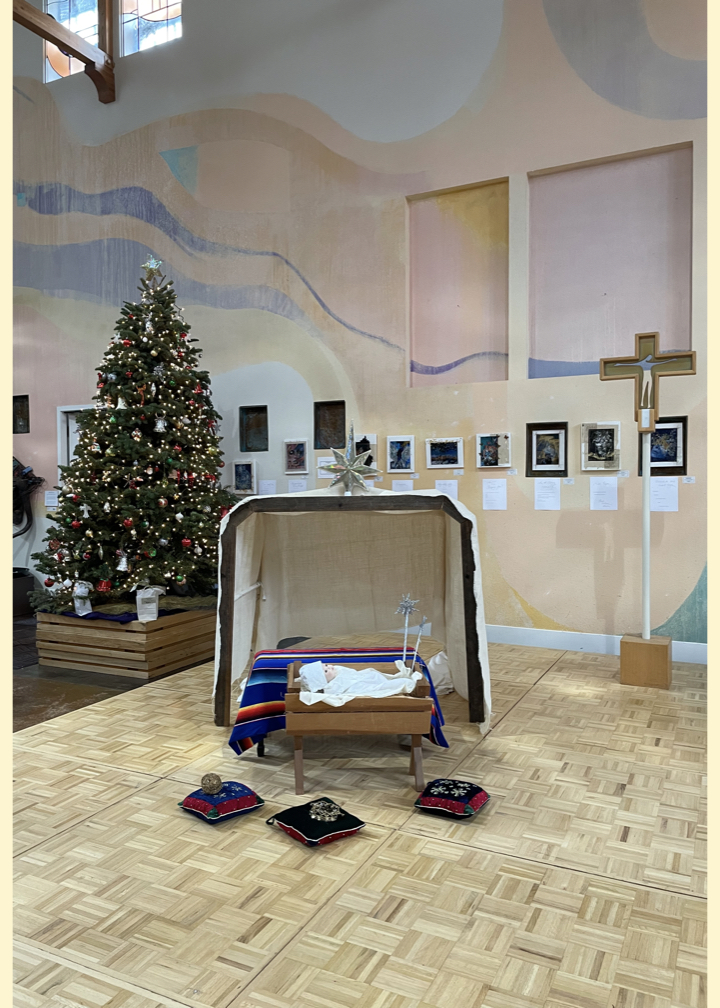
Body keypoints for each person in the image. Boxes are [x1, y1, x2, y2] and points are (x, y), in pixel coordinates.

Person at [297, 659, 422, 706]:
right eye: (325, 671)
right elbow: (346, 690)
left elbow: (354, 674)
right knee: (389, 685)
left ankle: (400, 681)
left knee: (376, 676)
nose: (330, 667)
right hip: (365, 687)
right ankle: (404, 683)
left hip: (367, 679)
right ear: (323, 682)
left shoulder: (339, 670)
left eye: (327, 665)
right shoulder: (333, 686)